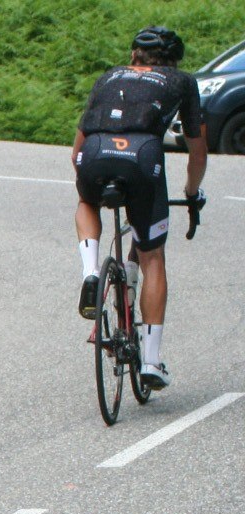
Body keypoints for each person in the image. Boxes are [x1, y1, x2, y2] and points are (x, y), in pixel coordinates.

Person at [73, 25, 207, 391]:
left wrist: (88, 177)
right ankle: (150, 361)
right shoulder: (181, 81)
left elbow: (76, 149)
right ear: (173, 60)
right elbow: (197, 150)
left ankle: (90, 273)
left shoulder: (108, 76)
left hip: (96, 152)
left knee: (86, 201)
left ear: (134, 55)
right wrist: (191, 192)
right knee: (153, 257)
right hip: (143, 156)